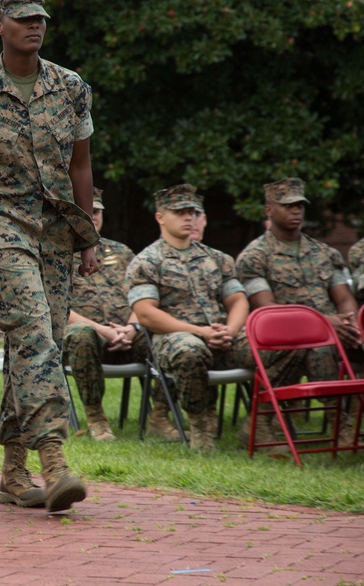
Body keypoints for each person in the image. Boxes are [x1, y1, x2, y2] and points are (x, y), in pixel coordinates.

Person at [0, 0, 99, 513]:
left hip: (56, 233)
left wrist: (87, 238)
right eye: (22, 19)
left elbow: (80, 165)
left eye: (40, 19)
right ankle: (54, 459)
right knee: (35, 332)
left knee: (39, 345)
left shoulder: (72, 87)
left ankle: (14, 474)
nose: (34, 26)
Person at [126, 184, 253, 451]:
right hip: (173, 339)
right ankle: (200, 428)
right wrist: (200, 332)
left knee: (269, 347)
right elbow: (147, 314)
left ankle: (259, 422)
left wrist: (229, 331)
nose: (189, 217)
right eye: (180, 212)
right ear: (160, 217)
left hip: (221, 335)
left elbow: (238, 300)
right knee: (189, 349)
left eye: (193, 212)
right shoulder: (147, 261)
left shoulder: (217, 259)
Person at [236, 178, 361, 446]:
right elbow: (267, 311)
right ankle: (261, 420)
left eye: (300, 206)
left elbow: (345, 299)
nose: (296, 211)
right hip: (274, 339)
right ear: (269, 210)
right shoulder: (255, 257)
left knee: (358, 341)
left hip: (332, 334)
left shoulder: (324, 253)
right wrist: (323, 325)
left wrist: (350, 324)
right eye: (288, 206)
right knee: (302, 342)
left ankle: (350, 424)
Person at [63, 188, 148, 442]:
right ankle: (96, 418)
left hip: (127, 334)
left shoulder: (123, 253)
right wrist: (104, 331)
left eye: (97, 210)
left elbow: (143, 297)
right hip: (85, 340)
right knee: (82, 334)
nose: (93, 215)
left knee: (165, 334)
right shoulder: (56, 253)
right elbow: (57, 308)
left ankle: (161, 416)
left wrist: (131, 328)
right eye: (86, 210)